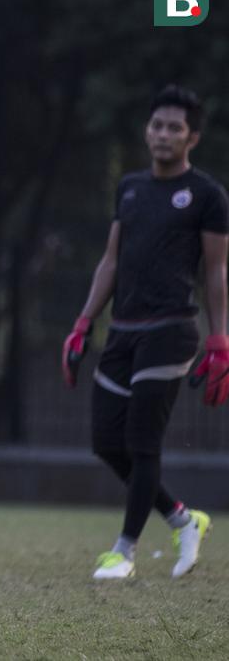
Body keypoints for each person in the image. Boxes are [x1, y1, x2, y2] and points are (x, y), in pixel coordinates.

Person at [63, 84, 226, 580]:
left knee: (141, 442)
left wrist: (220, 340)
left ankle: (124, 552)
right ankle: (182, 519)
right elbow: (110, 261)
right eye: (157, 125)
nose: (163, 134)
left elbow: (216, 272)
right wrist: (83, 322)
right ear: (146, 130)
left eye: (175, 128)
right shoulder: (130, 188)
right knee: (106, 443)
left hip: (172, 331)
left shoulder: (207, 196)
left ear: (192, 138)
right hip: (123, 330)